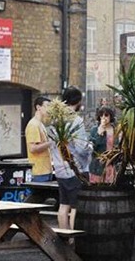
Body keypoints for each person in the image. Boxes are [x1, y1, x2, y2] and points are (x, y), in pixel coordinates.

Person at [44, 86, 92, 231]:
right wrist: (90, 147)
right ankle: (74, 240)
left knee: (64, 205)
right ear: (78, 101)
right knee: (77, 207)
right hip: (75, 169)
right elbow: (81, 148)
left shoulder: (54, 120)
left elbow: (52, 144)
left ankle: (64, 237)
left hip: (59, 169)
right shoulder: (76, 120)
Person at [24, 96, 53, 183]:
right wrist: (50, 143)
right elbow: (32, 148)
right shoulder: (33, 125)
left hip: (46, 169)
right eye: (47, 106)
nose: (49, 109)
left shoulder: (41, 124)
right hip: (39, 171)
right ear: (38, 107)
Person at [88, 105, 118, 184]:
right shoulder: (94, 129)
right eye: (101, 115)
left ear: (110, 116)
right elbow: (93, 147)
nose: (104, 117)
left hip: (111, 164)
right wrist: (99, 133)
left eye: (106, 115)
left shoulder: (115, 129)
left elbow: (117, 147)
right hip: (98, 166)